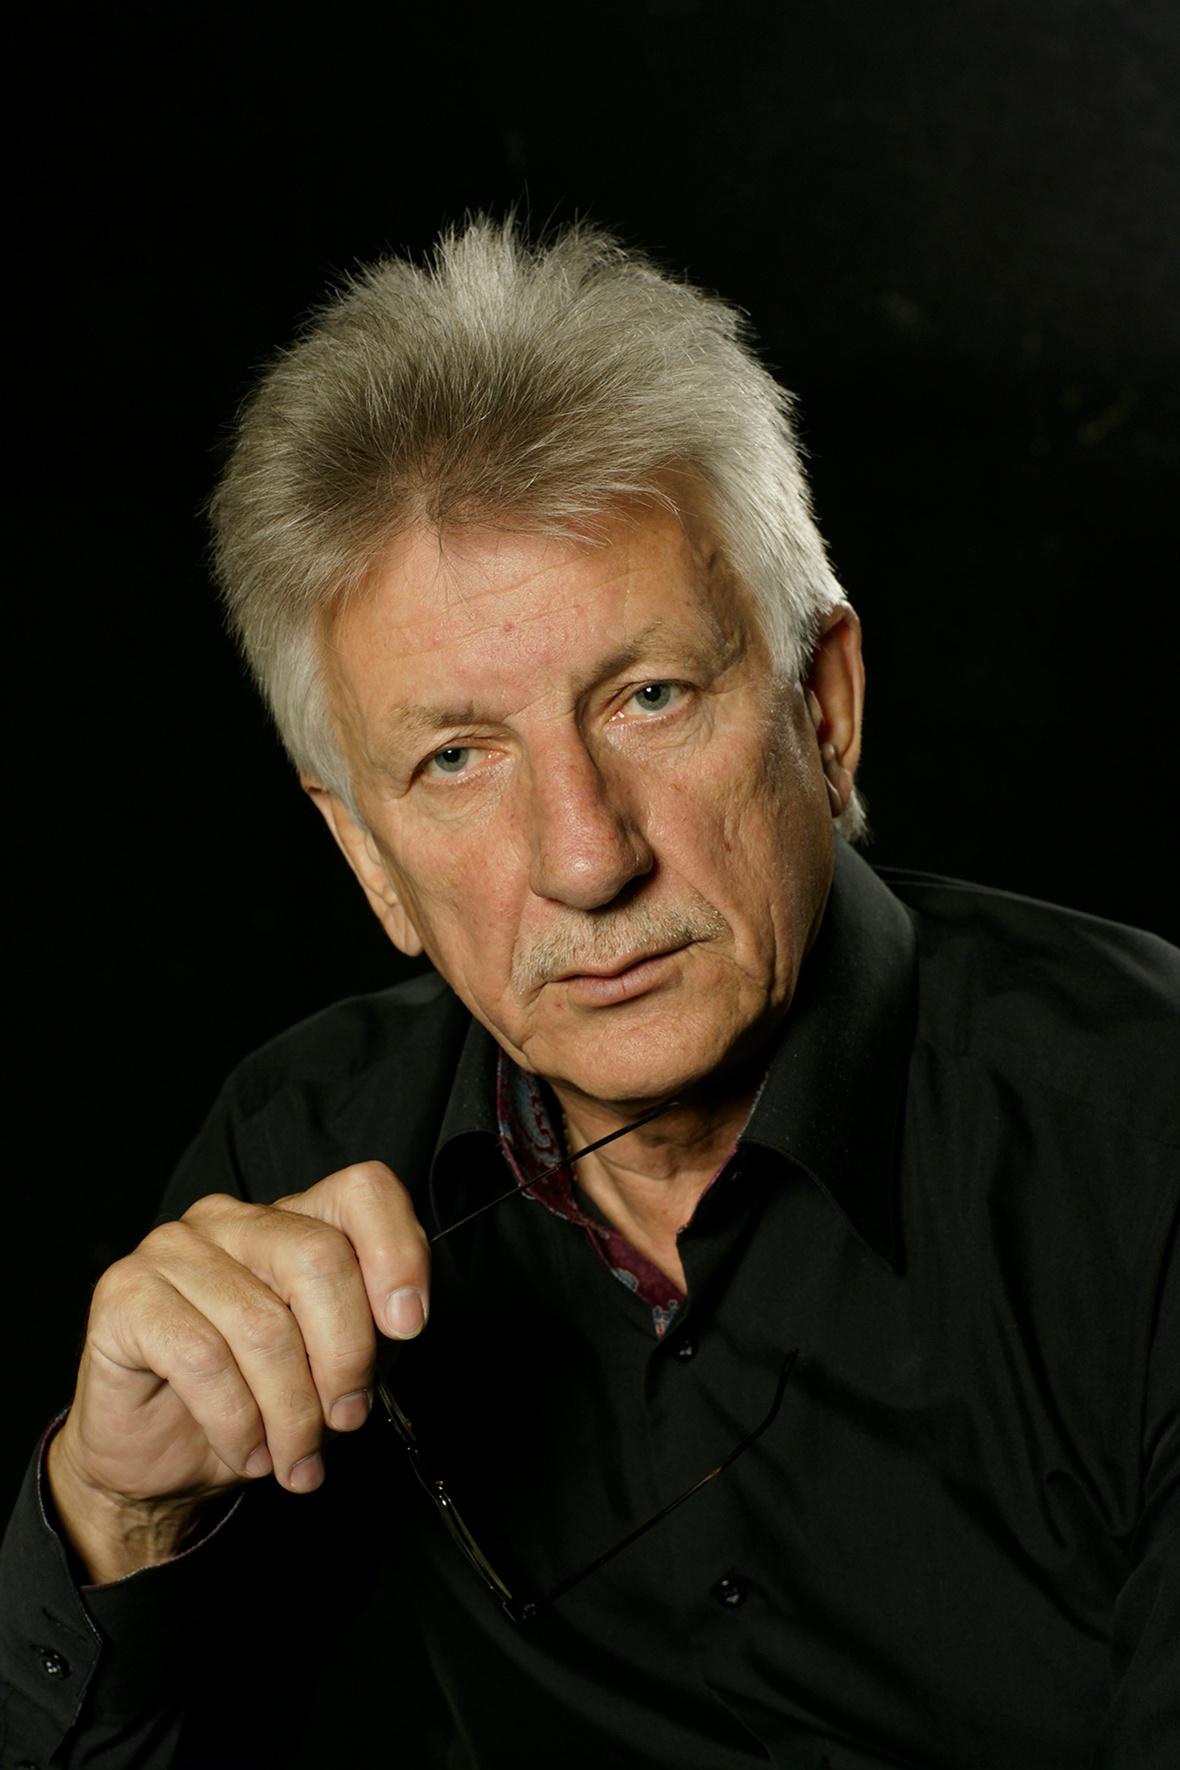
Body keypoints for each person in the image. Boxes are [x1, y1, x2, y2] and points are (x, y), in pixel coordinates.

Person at [2, 218, 1176, 1770]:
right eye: (455, 758)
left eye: (650, 696)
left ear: (824, 710)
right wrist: (117, 1510)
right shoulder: (300, 1144)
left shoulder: (1147, 1139)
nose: (583, 856)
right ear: (366, 857)